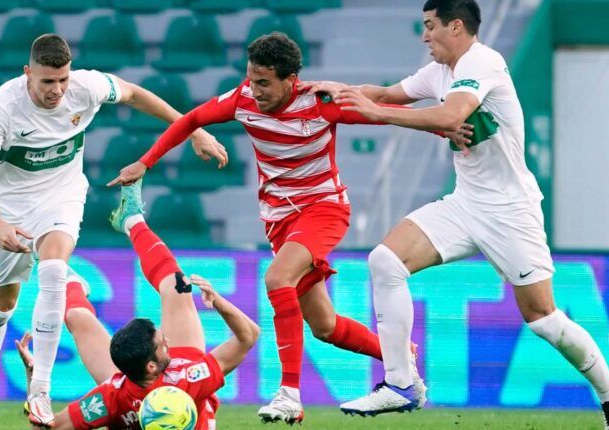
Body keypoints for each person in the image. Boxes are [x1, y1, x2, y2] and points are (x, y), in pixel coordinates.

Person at [300, 0, 609, 428]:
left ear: (455, 26)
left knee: (543, 319)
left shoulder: (483, 62)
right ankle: (401, 383)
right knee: (385, 260)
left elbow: (450, 113)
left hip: (510, 210)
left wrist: (378, 114)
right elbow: (383, 94)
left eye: (429, 26)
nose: (424, 36)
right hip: (465, 203)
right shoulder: (437, 71)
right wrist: (330, 89)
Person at [108, 32, 450, 425]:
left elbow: (379, 113)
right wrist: (145, 163)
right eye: (252, 79)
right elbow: (192, 119)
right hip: (280, 221)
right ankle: (399, 355)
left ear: (291, 80)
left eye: (264, 82)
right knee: (324, 326)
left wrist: (442, 127)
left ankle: (289, 394)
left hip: (323, 210)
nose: (255, 89)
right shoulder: (244, 99)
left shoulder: (319, 104)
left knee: (277, 278)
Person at [0, 33, 225, 429]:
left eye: (63, 80)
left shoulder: (86, 86)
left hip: (61, 195)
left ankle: (41, 391)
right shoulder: (2, 107)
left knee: (53, 268)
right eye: (47, 82)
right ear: (27, 73)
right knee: (1, 308)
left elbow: (135, 94)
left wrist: (192, 129)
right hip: (9, 206)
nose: (57, 90)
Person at [15, 180, 260, 429]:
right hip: (156, 379)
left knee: (84, 315)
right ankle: (65, 272)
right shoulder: (188, 377)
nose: (167, 340)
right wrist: (219, 304)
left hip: (137, 384)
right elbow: (248, 336)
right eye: (161, 343)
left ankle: (127, 223)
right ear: (152, 365)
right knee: (178, 287)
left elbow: (47, 426)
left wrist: (35, 378)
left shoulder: (112, 397)